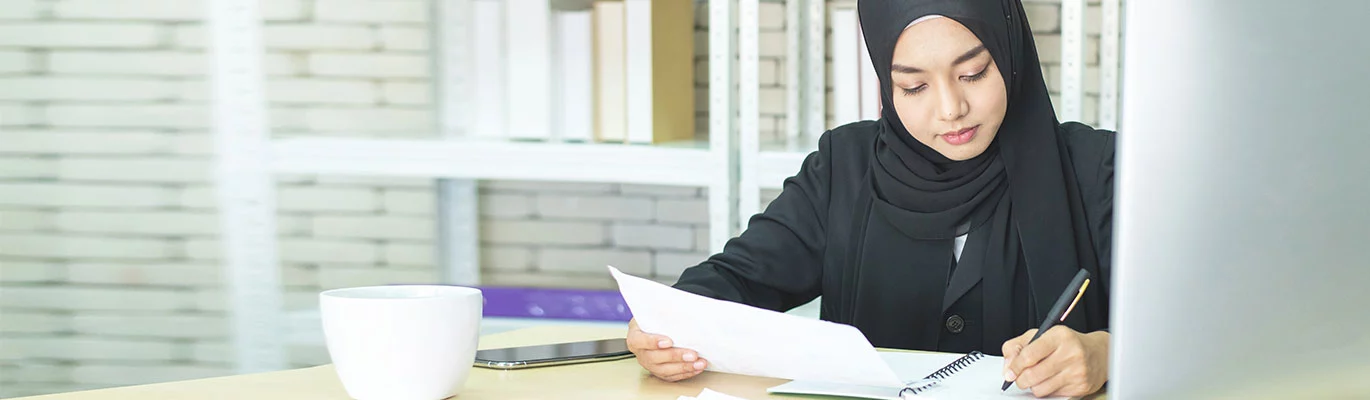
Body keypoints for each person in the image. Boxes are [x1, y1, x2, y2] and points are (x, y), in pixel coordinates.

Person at [626, 0, 1115, 397]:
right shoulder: (845, 165)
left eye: (973, 74)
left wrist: (1106, 354)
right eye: (914, 85)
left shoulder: (1096, 169)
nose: (951, 109)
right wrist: (663, 327)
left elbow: (1185, 327)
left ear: (1010, 54)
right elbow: (735, 279)